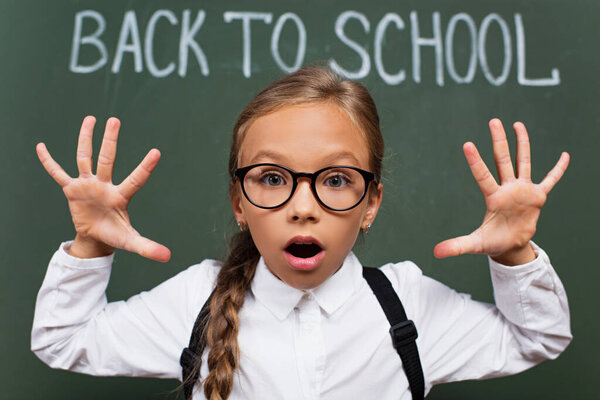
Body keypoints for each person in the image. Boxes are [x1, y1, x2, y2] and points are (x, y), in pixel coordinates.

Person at [31, 65, 572, 400]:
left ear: (371, 204)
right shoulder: (198, 299)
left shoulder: (408, 306)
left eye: (336, 180)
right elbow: (62, 340)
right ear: (239, 202)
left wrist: (516, 255)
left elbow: (538, 338)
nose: (303, 208)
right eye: (271, 178)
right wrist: (91, 244)